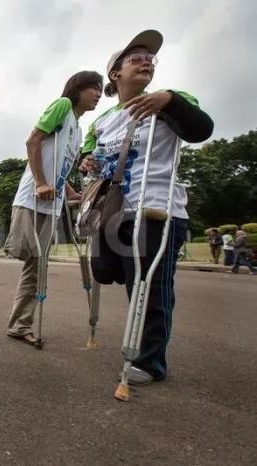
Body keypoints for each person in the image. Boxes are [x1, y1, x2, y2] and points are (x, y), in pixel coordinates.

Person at [79, 30, 214, 385]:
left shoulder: (170, 100)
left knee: (151, 285)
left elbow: (201, 129)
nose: (146, 61)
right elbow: (90, 154)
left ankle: (151, 361)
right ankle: (140, 341)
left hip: (156, 208)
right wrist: (88, 161)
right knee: (113, 274)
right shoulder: (103, 120)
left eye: (149, 58)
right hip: (114, 210)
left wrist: (168, 101)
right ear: (115, 74)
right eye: (134, 57)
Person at [4, 71, 103, 345]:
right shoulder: (62, 107)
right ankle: (19, 322)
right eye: (93, 87)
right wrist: (39, 183)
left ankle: (20, 324)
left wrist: (74, 193)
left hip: (52, 204)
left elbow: (61, 167)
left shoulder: (79, 129)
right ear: (77, 88)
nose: (98, 94)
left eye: (101, 89)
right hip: (32, 198)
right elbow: (33, 141)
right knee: (27, 256)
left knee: (38, 265)